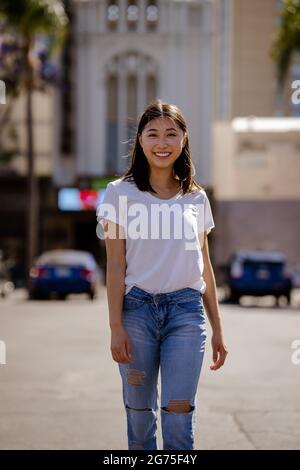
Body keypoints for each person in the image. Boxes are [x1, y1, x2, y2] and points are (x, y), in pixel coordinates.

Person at [97, 99, 228, 450]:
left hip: (186, 313)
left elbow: (204, 262)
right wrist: (115, 326)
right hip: (136, 312)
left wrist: (218, 329)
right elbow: (115, 264)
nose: (162, 143)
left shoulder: (196, 198)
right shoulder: (118, 194)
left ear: (183, 139)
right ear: (140, 140)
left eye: (171, 134)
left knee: (179, 413)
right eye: (153, 134)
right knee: (140, 415)